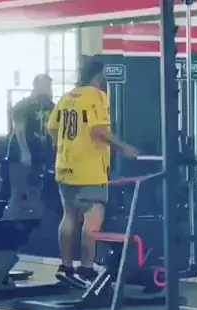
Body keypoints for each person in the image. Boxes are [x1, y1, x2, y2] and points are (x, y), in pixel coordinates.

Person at [47, 58, 138, 286]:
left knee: (69, 216)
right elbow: (99, 130)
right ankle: (86, 269)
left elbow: (52, 128)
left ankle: (66, 267)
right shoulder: (96, 96)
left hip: (65, 167)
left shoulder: (67, 97)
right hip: (89, 170)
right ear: (98, 77)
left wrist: (64, 147)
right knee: (93, 219)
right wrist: (123, 147)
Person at [6, 74, 55, 214]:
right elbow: (19, 129)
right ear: (36, 86)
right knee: (18, 191)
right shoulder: (23, 105)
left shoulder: (51, 107)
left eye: (49, 85)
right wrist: (24, 151)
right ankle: (9, 221)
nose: (48, 88)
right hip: (20, 152)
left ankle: (32, 223)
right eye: (45, 85)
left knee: (36, 191)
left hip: (39, 154)